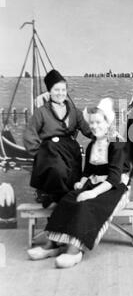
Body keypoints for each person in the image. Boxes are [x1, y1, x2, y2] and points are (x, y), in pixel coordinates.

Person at [27, 98, 130, 269]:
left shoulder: (117, 144)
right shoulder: (92, 145)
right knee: (67, 199)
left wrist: (91, 193)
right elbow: (88, 170)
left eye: (98, 122)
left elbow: (113, 178)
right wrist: (82, 182)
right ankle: (52, 245)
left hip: (116, 188)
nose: (94, 126)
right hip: (94, 183)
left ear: (107, 122)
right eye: (91, 123)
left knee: (86, 204)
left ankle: (74, 251)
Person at [23, 69, 93, 207]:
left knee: (72, 186)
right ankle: (52, 199)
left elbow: (88, 130)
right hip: (51, 152)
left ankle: (63, 214)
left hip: (71, 152)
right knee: (58, 171)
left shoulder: (74, 112)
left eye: (63, 90)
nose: (60, 93)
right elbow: (29, 134)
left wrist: (108, 137)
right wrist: (39, 153)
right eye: (56, 90)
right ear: (49, 91)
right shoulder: (41, 112)